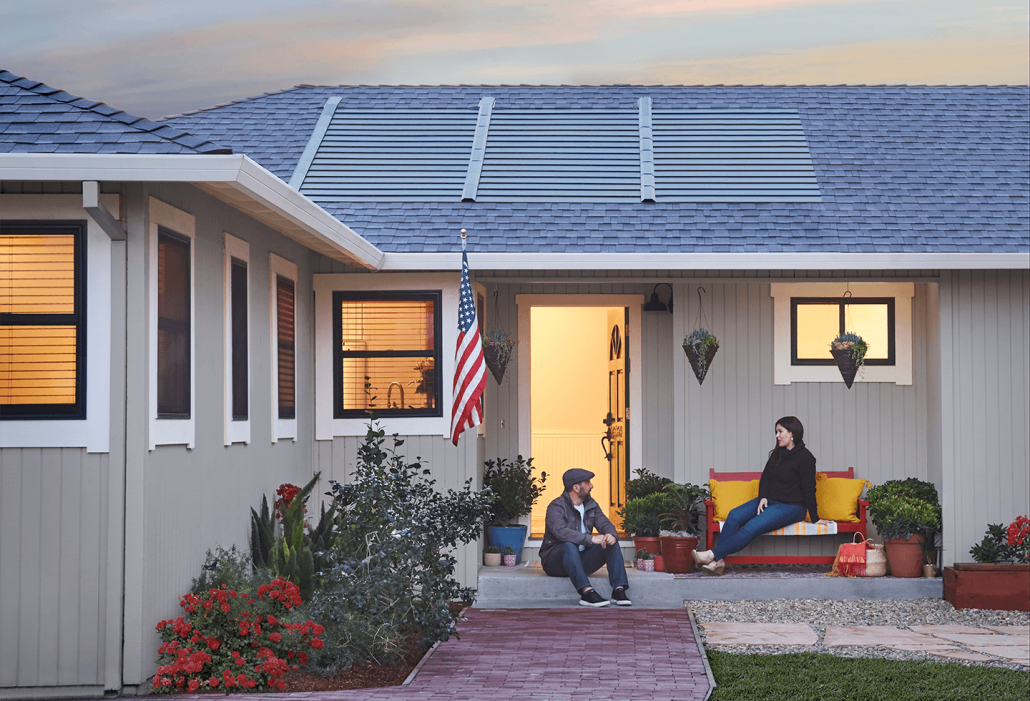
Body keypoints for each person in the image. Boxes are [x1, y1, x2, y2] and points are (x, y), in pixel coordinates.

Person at [693, 416, 834, 574]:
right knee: (734, 515)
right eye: (776, 432)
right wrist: (763, 497)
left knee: (750, 527)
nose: (777, 435)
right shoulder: (777, 453)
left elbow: (809, 489)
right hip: (770, 501)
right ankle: (718, 562)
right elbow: (765, 477)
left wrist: (815, 518)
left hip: (792, 507)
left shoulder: (806, 458)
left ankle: (711, 555)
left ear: (792, 433)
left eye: (780, 431)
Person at [539, 468, 631, 607]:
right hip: (555, 563)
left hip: (581, 561)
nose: (591, 485)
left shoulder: (591, 504)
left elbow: (604, 523)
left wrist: (610, 534)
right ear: (576, 488)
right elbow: (560, 532)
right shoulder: (556, 507)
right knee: (569, 545)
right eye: (587, 483)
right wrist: (590, 539)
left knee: (610, 542)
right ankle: (586, 593)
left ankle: (619, 590)